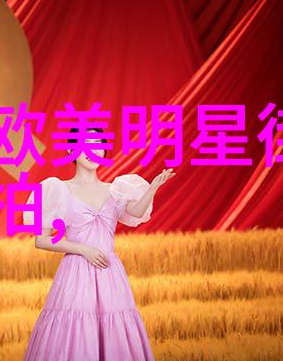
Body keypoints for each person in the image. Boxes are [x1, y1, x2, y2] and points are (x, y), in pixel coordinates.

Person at [22, 127, 175, 360]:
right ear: (72, 150)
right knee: (75, 328)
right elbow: (41, 240)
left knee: (114, 326)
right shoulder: (59, 189)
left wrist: (152, 188)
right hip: (76, 273)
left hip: (109, 272)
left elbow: (136, 211)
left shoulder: (114, 190)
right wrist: (82, 249)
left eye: (98, 145)